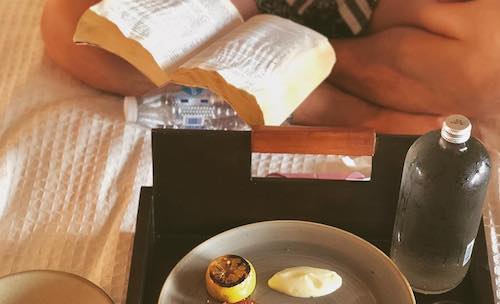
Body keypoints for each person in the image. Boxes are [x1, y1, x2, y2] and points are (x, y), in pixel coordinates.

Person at [40, 0, 499, 134]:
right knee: (70, 26)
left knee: (489, 68)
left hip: (380, 14)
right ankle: (304, 94)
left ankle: (306, 78)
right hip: (238, 5)